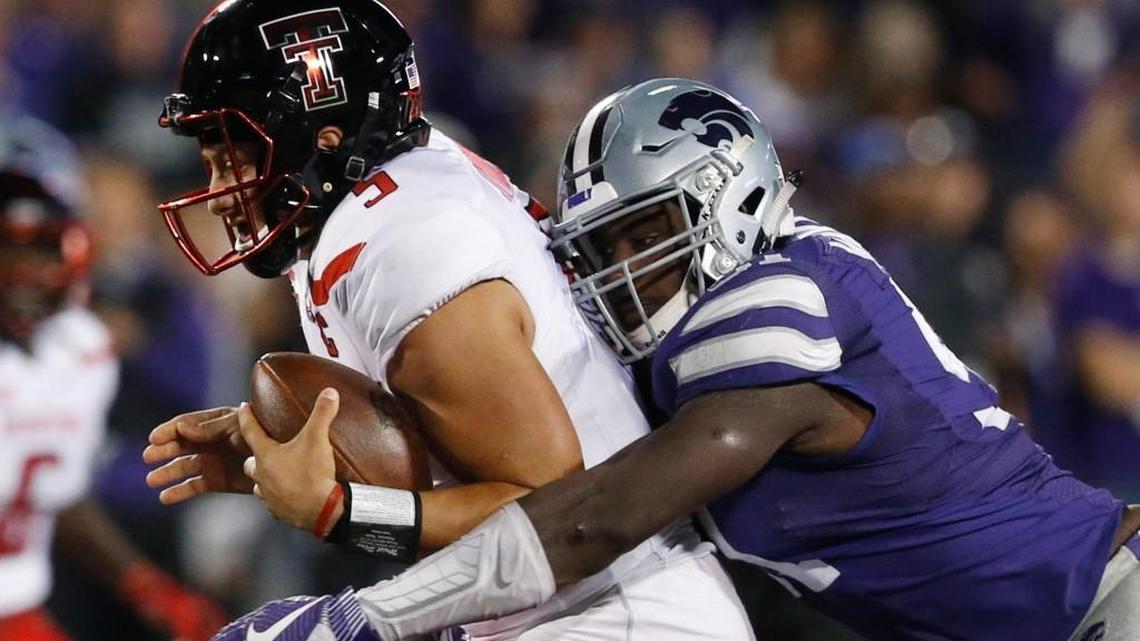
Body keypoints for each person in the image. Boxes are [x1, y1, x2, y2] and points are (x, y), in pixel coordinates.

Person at [215, 79, 1140, 641]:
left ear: (728, 197)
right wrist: (296, 441)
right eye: (602, 246)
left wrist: (360, 604)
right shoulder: (726, 324)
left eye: (645, 232)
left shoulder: (770, 306)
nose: (622, 270)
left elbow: (591, 518)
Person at [142, 3, 753, 640]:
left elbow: (554, 509)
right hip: (553, 603)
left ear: (321, 137)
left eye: (234, 155)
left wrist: (339, 509)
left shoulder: (404, 243)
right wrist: (289, 449)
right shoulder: (379, 205)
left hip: (613, 608)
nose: (219, 188)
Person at [0, 115, 225, 641]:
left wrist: (143, 586)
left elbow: (57, 489)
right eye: (6, 247)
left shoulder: (79, 347)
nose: (22, 269)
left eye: (38, 246)